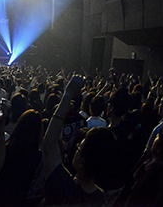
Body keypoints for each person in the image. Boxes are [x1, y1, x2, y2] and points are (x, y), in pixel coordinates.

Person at [41, 75, 116, 206]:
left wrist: (67, 95)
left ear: (82, 162)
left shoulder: (65, 187)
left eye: (79, 147)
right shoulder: (101, 198)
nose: (76, 146)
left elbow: (49, 144)